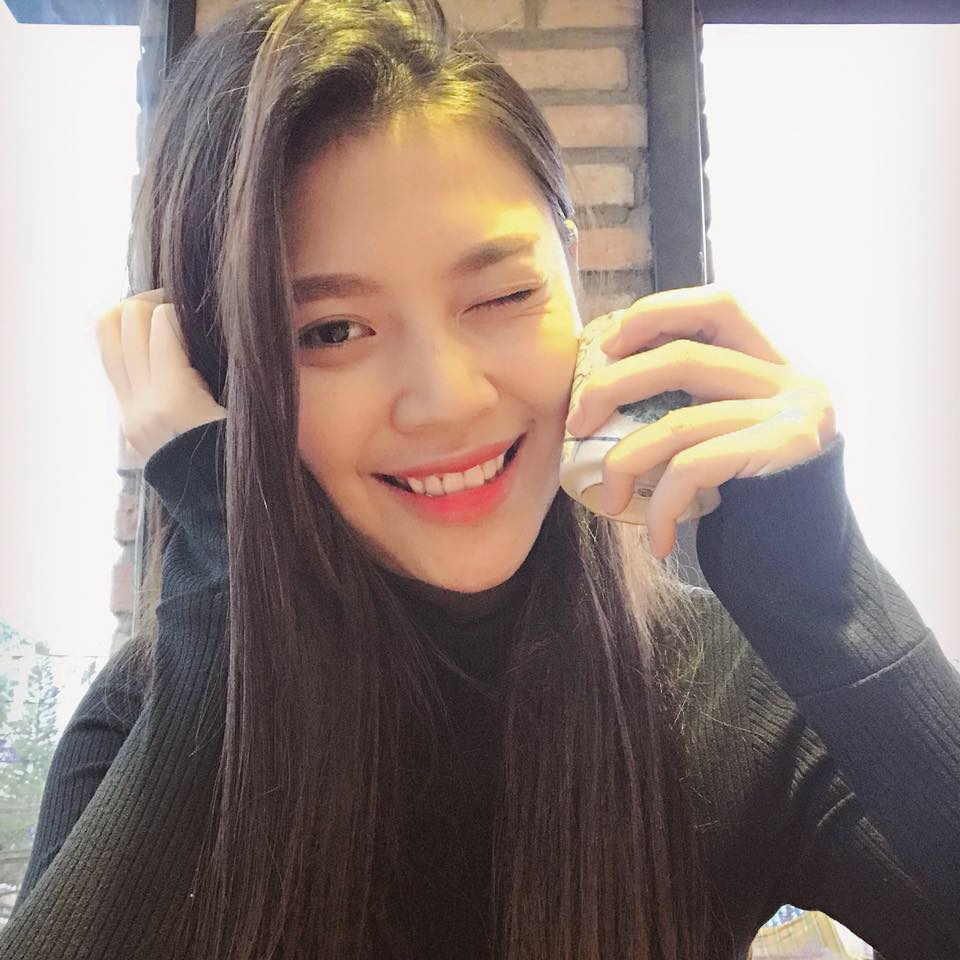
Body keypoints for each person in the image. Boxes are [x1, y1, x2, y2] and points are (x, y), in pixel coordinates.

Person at [3, 1, 958, 958]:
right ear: (221, 372)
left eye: (502, 295)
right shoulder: (153, 713)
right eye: (330, 331)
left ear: (573, 275)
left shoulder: (719, 686)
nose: (448, 400)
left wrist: (825, 596)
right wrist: (227, 574)